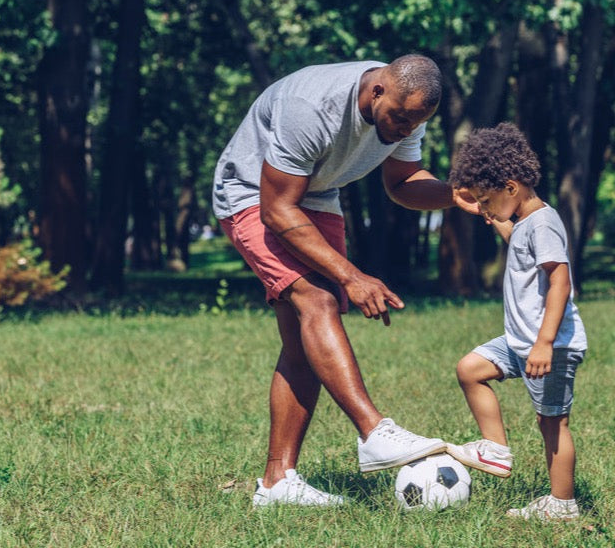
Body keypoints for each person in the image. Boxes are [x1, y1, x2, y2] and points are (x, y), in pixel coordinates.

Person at [212, 54, 475, 507]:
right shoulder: (310, 106)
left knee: (302, 342)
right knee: (318, 300)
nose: (406, 130)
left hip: (315, 196)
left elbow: (402, 182)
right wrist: (352, 276)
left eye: (416, 123)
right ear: (377, 91)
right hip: (255, 195)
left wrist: (454, 194)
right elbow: (277, 210)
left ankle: (277, 483)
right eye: (400, 118)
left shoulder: (407, 109)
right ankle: (373, 432)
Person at [445, 123, 588, 521]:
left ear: (510, 187)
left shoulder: (543, 222)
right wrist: (485, 212)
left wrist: (545, 343)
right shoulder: (525, 221)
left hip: (550, 345)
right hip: (519, 340)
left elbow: (560, 281)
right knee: (470, 369)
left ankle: (562, 505)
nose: (486, 208)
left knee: (552, 422)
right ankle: (496, 449)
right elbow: (519, 243)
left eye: (487, 200)